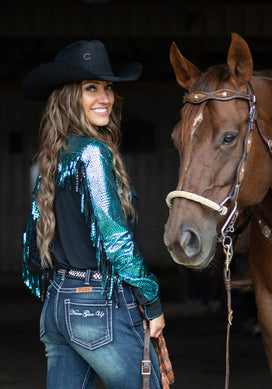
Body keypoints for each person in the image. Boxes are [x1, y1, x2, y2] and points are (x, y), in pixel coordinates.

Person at [21, 40, 165, 389]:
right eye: (91, 88)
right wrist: (151, 299)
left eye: (108, 88)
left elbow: (31, 244)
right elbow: (115, 239)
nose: (105, 97)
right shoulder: (93, 153)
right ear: (70, 96)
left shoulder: (50, 158)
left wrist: (59, 290)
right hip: (96, 302)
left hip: (57, 304)